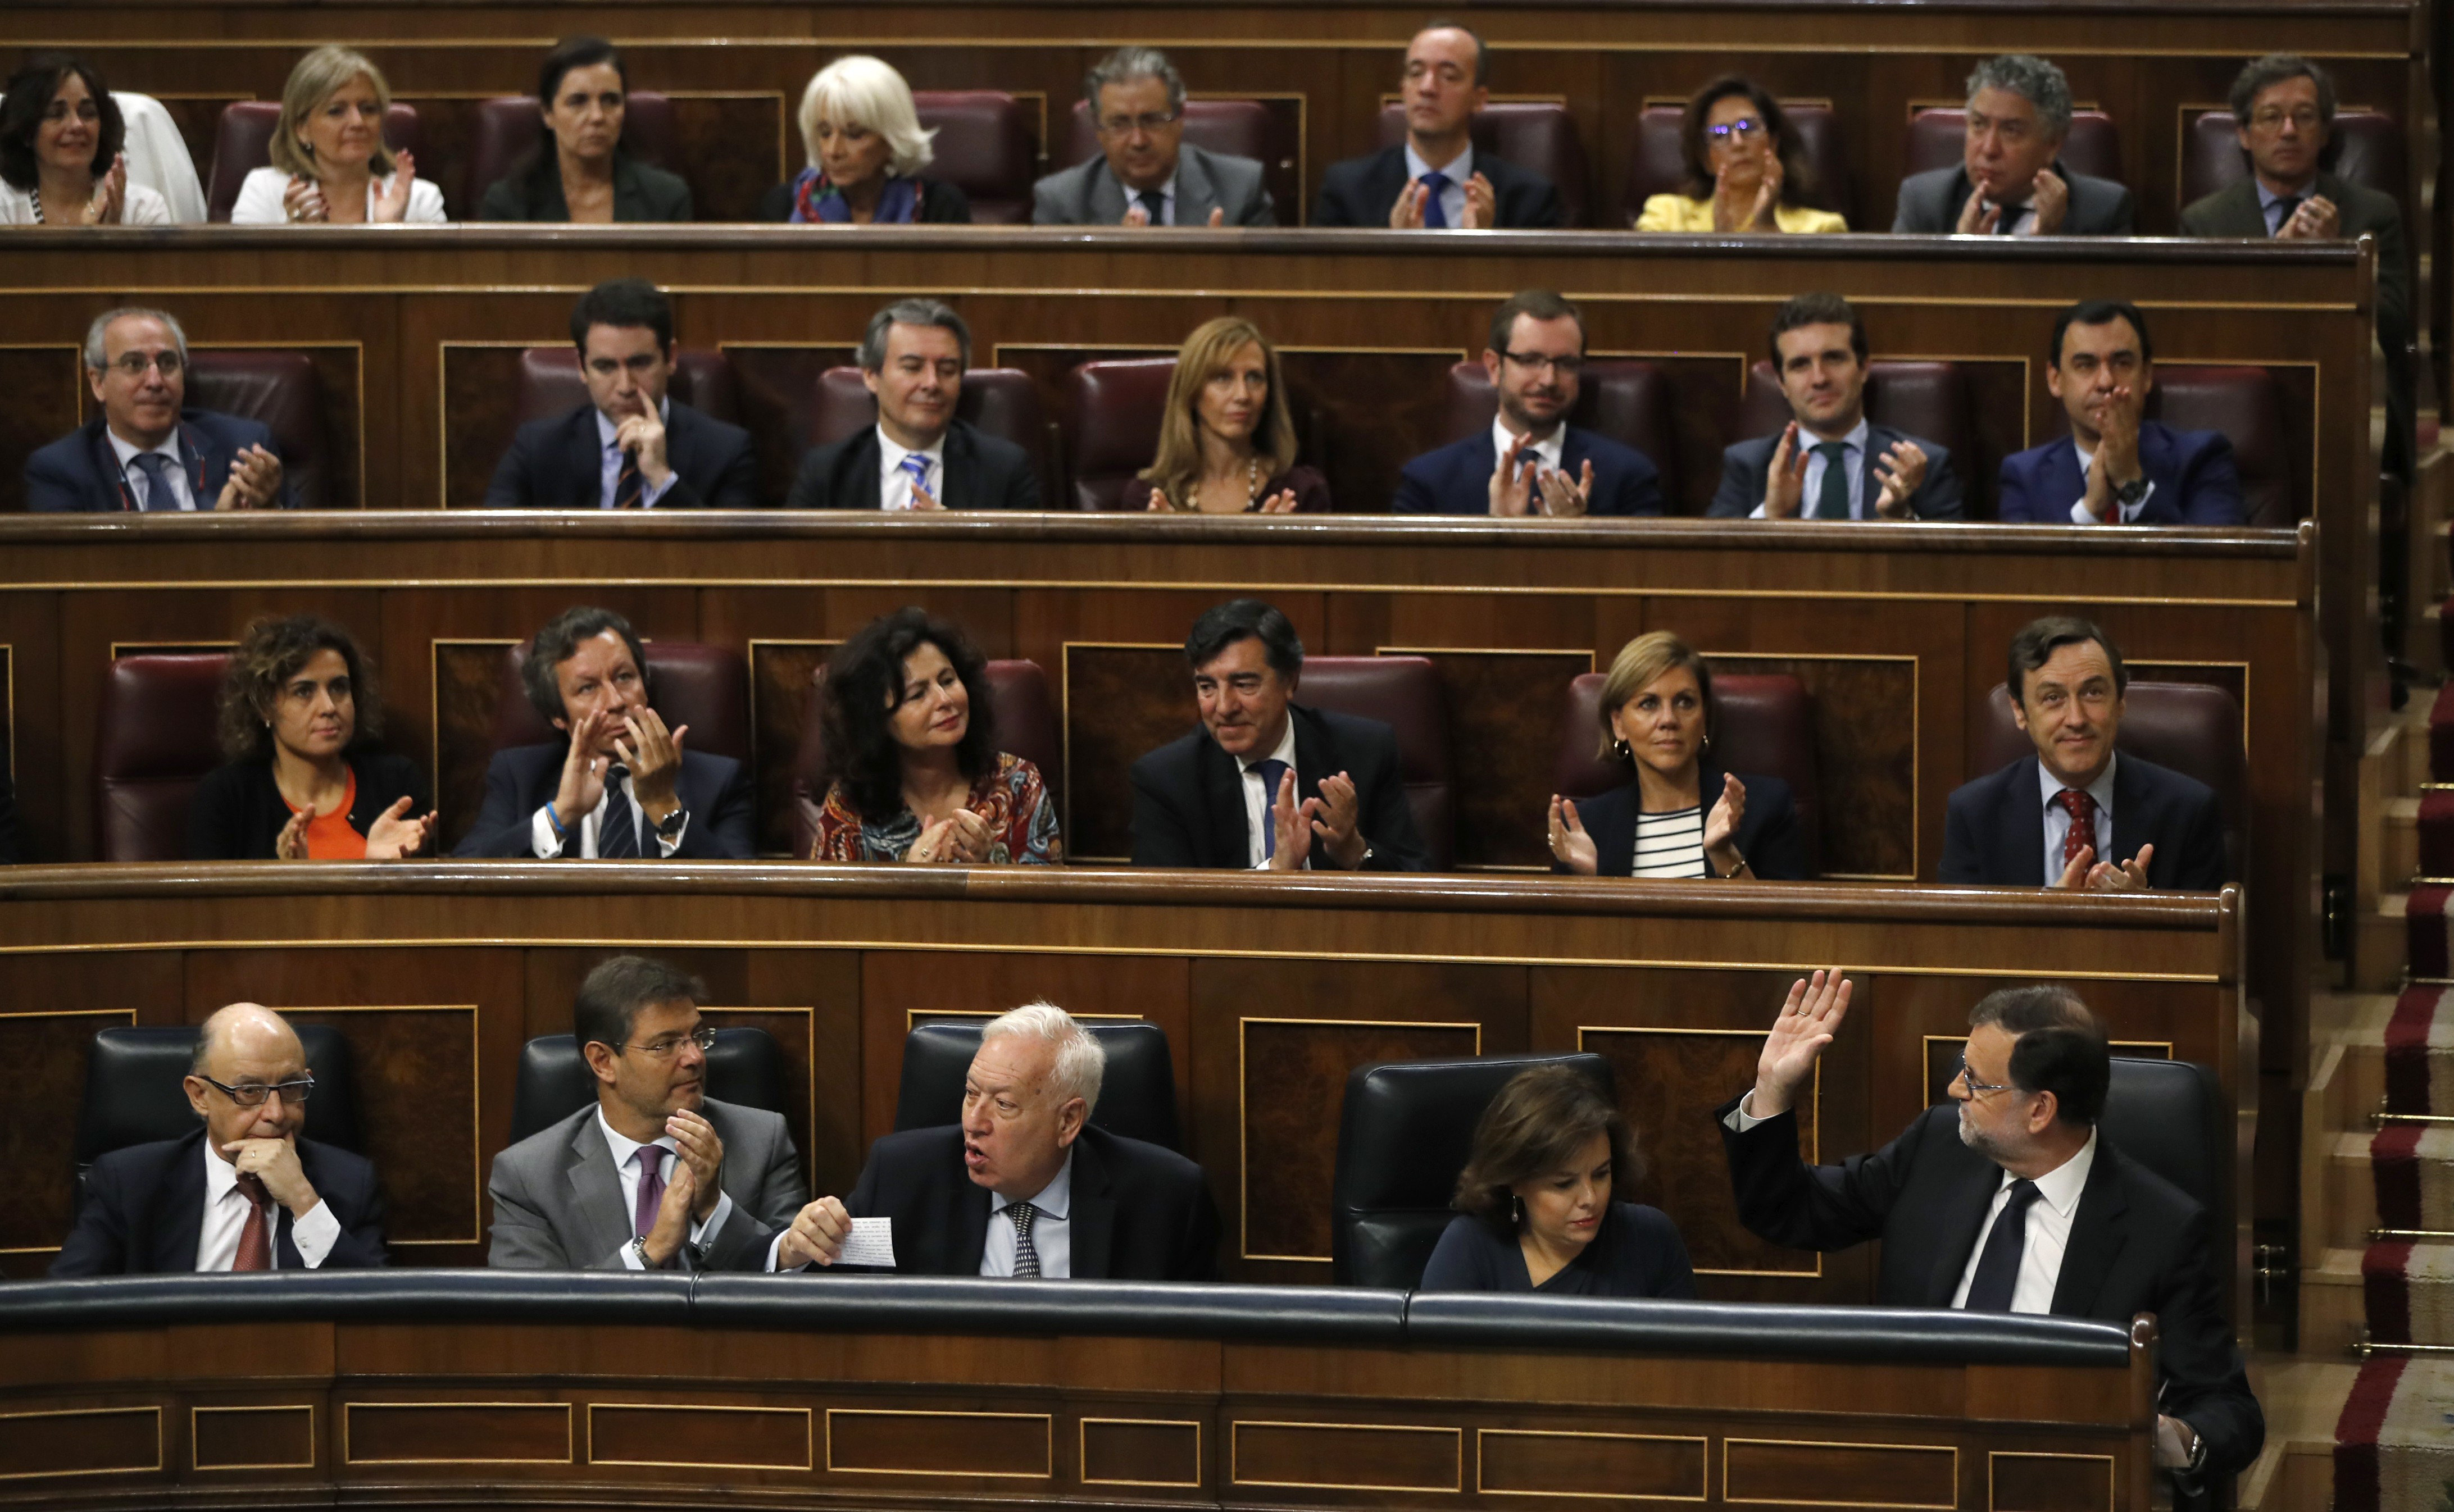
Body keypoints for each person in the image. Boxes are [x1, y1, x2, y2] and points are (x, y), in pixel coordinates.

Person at [1715, 974, 2262, 1495]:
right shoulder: (1936, 1149)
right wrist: (1772, 1089)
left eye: (1976, 1081)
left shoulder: (2160, 1228)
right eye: (1963, 1069)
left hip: (2051, 1482)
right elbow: (1789, 1211)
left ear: (2040, 1109)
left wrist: (2160, 1436)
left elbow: (2228, 1410)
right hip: (1909, 1465)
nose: (1955, 1087)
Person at [762, 1002, 1219, 1279]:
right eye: (970, 1094)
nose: (974, 1123)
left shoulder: (1167, 1200)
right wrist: (793, 1252)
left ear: (1068, 1121)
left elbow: (1202, 1345)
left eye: (1003, 1104)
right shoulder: (903, 1177)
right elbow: (828, 1298)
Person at [488, 957, 805, 1270]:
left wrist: (713, 1208)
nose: (695, 1057)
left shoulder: (762, 1141)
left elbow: (797, 1275)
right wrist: (650, 1249)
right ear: (603, 1062)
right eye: (664, 1045)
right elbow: (530, 1301)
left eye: (697, 1037)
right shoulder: (528, 1178)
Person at [2180, 54, 2412, 477]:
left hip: (2346, 393)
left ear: (2324, 133)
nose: (2289, 131)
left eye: (2304, 117)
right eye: (2272, 117)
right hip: (2245, 392)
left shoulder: (2374, 213)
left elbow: (2395, 329)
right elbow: (2201, 332)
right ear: (2244, 135)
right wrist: (2277, 261)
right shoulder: (2206, 221)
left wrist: (2338, 260)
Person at [52, 1003, 388, 1275]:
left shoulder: (350, 1184)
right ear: (200, 1096)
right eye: (250, 1091)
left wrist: (303, 1200)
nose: (276, 1113)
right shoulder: (129, 1184)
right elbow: (66, 1306)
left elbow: (376, 1312)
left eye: (291, 1087)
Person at [1129, 598, 1431, 871]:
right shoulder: (1167, 779)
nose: (1223, 708)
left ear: (1290, 681)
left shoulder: (1364, 752)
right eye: (1207, 687)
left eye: (1244, 685)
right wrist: (1275, 873)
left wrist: (1353, 851)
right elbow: (1163, 905)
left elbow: (1418, 881)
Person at [1940, 617, 2227, 890]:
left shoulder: (2188, 813)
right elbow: (1961, 927)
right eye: (2053, 698)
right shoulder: (1975, 815)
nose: (2076, 719)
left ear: (2120, 701)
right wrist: (2047, 913)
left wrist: (2146, 910)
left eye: (2093, 693)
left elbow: (2210, 926)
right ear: (2019, 711)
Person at [453, 605, 756, 859]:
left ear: (645, 686)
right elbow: (463, 877)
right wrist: (559, 817)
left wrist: (665, 808)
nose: (616, 701)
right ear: (558, 716)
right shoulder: (519, 776)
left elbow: (744, 897)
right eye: (588, 688)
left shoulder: (719, 782)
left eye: (624, 677)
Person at [807, 607, 1062, 864]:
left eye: (948, 680)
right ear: (876, 720)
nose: (945, 699)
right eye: (918, 695)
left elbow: (1049, 889)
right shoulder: (850, 804)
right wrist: (910, 879)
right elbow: (822, 892)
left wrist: (990, 866)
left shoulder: (1019, 784)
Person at [1548, 632, 1806, 880]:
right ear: (1619, 724)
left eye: (1685, 702)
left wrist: (1724, 855)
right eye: (1649, 704)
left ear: (1704, 718)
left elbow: (1786, 913)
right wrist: (1592, 881)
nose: (1669, 720)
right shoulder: (1586, 828)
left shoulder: (1764, 807)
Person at [1420, 1064, 1696, 1296]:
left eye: (1601, 1174)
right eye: (1564, 1184)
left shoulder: (1651, 1239)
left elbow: (1684, 1344)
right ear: (1515, 1180)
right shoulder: (1468, 1249)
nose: (1590, 1198)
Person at [484, 279, 759, 510]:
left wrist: (662, 479)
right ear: (581, 367)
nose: (625, 387)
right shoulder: (537, 448)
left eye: (640, 363)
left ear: (671, 358)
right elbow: (493, 543)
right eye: (605, 367)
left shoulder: (727, 452)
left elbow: (733, 555)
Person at [1395, 290, 1664, 517]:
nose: (1549, 380)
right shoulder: (1427, 482)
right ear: (1494, 367)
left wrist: (1579, 538)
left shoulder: (1629, 477)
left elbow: (1648, 565)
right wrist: (1496, 531)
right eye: (1530, 360)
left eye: (1566, 364)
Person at [189, 614, 435, 861]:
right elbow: (206, 888)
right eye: (304, 692)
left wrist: (378, 869)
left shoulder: (397, 783)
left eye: (338, 688)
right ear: (265, 706)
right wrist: (289, 876)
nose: (329, 707)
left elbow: (429, 884)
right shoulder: (227, 797)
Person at [1707, 293, 1962, 520]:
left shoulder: (1922, 467)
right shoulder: (1747, 465)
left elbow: (1955, 558)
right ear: (1782, 383)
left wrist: (1899, 518)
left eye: (1834, 359)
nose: (1820, 379)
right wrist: (1771, 515)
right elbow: (1713, 556)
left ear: (1863, 368)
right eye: (1800, 365)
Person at [1997, 301, 2243, 526]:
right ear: (2055, 379)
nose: (2106, 382)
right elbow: (2024, 562)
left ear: (2146, 375)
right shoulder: (2023, 476)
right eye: (2085, 365)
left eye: (2122, 363)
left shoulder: (2202, 458)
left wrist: (2132, 482)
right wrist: (2090, 510)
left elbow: (2215, 558)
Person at [24, 307, 289, 512]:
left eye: (167, 363)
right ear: (98, 383)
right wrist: (217, 531)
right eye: (134, 364)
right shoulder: (60, 470)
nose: (155, 381)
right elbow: (75, 566)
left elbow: (300, 552)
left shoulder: (245, 449)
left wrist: (269, 512)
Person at [783, 299, 1039, 511]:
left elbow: (1026, 558)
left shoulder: (1004, 470)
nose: (932, 383)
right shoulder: (825, 471)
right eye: (912, 368)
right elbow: (797, 556)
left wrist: (956, 535)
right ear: (871, 376)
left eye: (947, 370)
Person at [1313, 23, 1564, 229]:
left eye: (1448, 76)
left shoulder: (1529, 197)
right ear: (1403, 91)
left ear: (1479, 99)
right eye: (1416, 73)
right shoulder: (1347, 190)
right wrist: (1394, 249)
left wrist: (1485, 247)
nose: (1427, 88)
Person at [1033, 48, 1274, 227]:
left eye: (1152, 120)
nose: (1138, 141)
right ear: (1099, 131)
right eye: (1119, 124)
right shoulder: (1061, 203)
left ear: (1179, 120)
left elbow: (1270, 278)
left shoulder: (1241, 189)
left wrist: (1221, 267)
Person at [1892, 55, 2132, 235]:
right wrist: (1962, 253)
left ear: (2052, 143)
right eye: (1979, 125)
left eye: (2011, 131)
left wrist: (2048, 243)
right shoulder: (1924, 203)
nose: (1989, 149)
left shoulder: (2104, 211)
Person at [1124, 317, 1330, 513]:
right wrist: (1168, 539)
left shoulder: (1301, 492)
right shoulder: (1147, 497)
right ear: (1192, 392)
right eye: (1223, 378)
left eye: (1254, 377)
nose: (1243, 395)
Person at [475, 37, 692, 223]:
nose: (597, 117)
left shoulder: (667, 199)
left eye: (610, 101)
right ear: (548, 114)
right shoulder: (508, 204)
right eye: (578, 102)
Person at [229, 47, 444, 224]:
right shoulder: (264, 191)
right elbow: (243, 264)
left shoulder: (421, 199)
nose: (358, 122)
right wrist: (296, 236)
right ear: (302, 129)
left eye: (369, 109)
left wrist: (389, 231)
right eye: (336, 111)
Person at [758, 56, 969, 225]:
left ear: (892, 140)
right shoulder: (783, 206)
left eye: (855, 135)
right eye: (825, 133)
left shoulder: (939, 207)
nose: (833, 151)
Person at [1632, 78, 1845, 234]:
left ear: (1773, 143)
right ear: (1706, 159)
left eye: (1749, 127)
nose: (1738, 143)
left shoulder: (1821, 228)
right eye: (1720, 134)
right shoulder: (1666, 215)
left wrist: (1769, 230)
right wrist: (1714, 246)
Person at [0, 53, 170, 225]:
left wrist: (113, 231)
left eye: (88, 113)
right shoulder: (5, 208)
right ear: (26, 132)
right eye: (56, 114)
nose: (77, 125)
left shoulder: (144, 209)